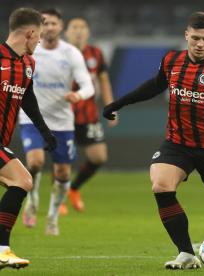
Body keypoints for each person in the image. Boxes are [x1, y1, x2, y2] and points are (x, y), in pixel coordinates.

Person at [103, 12, 204, 269]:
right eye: (195, 37)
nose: (199, 43)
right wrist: (119, 103)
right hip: (178, 142)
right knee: (161, 186)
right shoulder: (172, 60)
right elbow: (154, 85)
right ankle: (185, 253)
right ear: (186, 35)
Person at [19, 8, 94, 235]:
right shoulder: (30, 50)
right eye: (45, 23)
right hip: (32, 118)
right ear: (39, 27)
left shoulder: (71, 53)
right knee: (35, 162)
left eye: (53, 23)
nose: (50, 27)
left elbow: (88, 85)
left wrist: (77, 96)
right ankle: (32, 202)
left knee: (62, 174)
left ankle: (52, 217)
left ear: (61, 27)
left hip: (62, 121)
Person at [0, 7, 57, 269]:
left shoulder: (28, 64)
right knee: (22, 179)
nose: (40, 42)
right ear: (31, 33)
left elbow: (27, 98)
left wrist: (44, 130)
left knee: (20, 181)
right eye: (39, 36)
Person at [58, 16, 117, 214]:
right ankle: (59, 200)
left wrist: (111, 107)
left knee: (98, 156)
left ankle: (74, 189)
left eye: (82, 27)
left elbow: (104, 81)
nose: (79, 30)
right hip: (62, 113)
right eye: (74, 26)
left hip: (88, 114)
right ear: (66, 32)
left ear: (88, 32)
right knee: (62, 159)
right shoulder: (58, 53)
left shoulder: (96, 54)